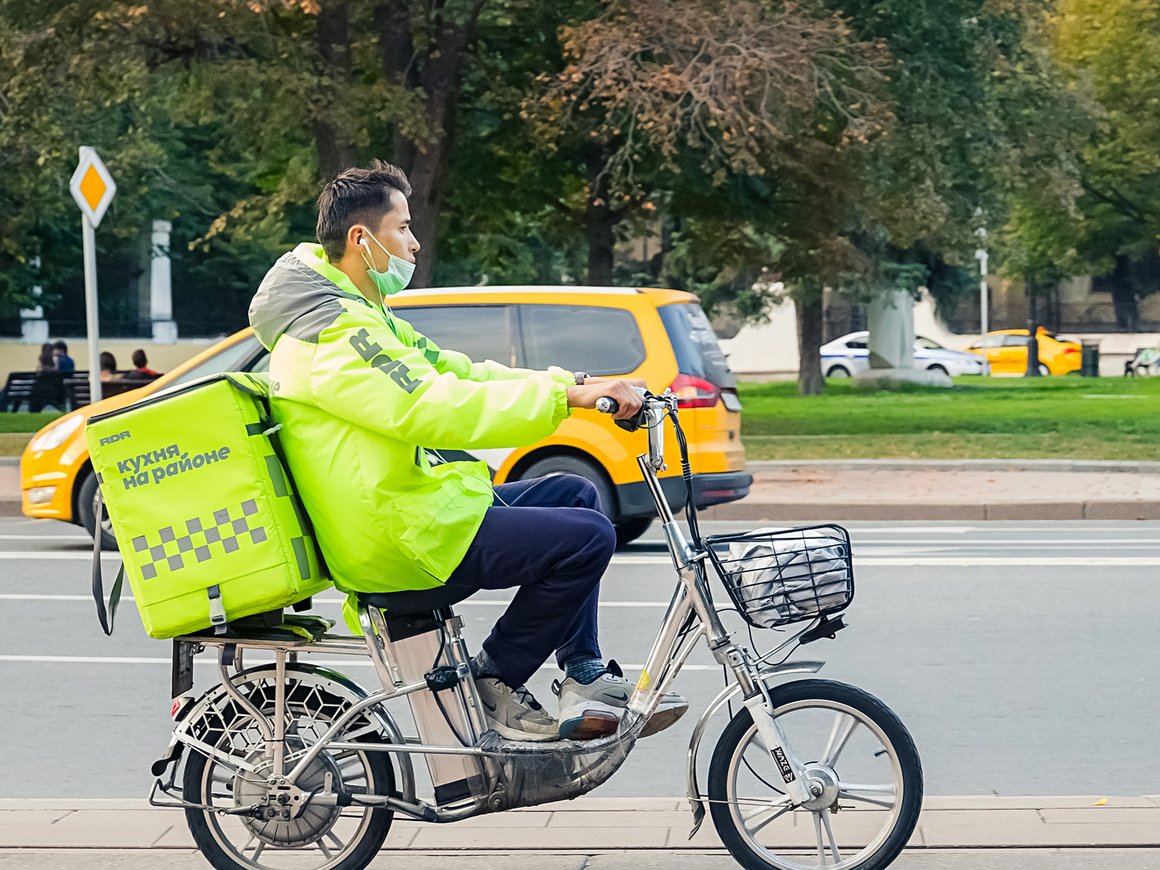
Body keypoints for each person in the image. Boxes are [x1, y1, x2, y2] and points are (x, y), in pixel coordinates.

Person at [248, 160, 687, 742]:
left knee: (576, 494)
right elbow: (435, 404)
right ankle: (494, 679)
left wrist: (577, 385)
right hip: (396, 541)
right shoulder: (335, 338)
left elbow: (460, 371)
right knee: (588, 539)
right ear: (361, 239)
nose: (414, 240)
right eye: (402, 227)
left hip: (409, 512)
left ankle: (581, 673)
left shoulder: (357, 316)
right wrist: (565, 399)